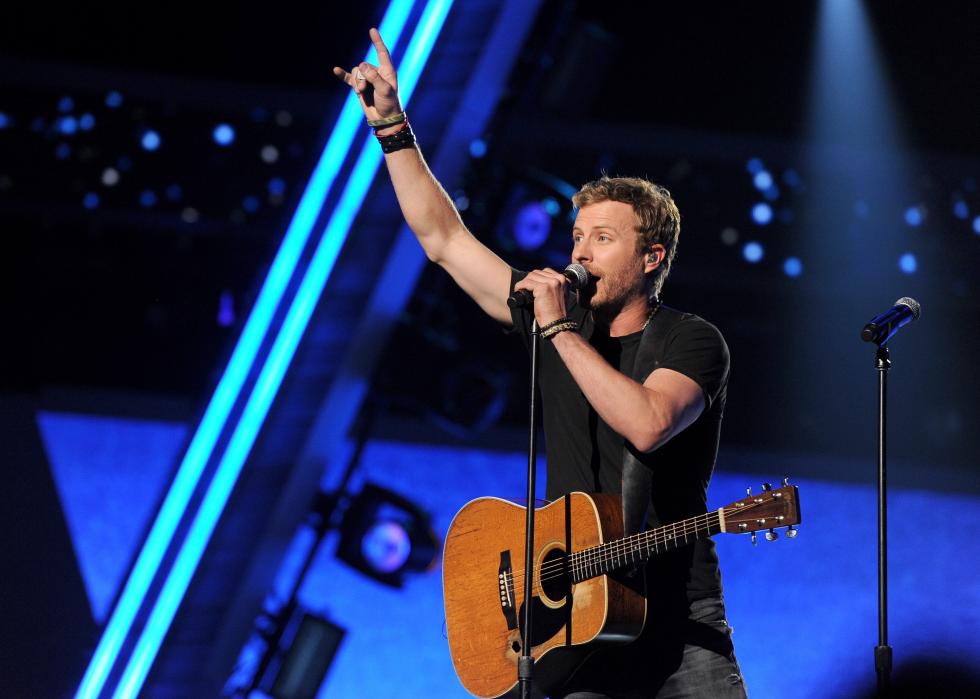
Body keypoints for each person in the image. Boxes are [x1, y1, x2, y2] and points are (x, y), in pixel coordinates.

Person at [335, 29, 748, 699]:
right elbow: (443, 240)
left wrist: (558, 328)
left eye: (603, 239)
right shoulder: (560, 323)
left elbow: (647, 423)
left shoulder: (690, 341)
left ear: (653, 258)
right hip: (573, 622)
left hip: (678, 626)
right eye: (577, 236)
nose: (580, 253)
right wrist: (393, 129)